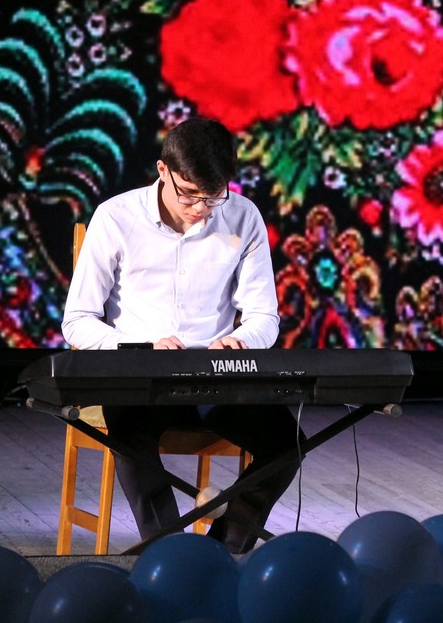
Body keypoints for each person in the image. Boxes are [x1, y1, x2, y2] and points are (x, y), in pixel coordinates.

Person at [62, 116, 304, 554]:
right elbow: (78, 319)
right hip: (143, 380)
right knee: (129, 433)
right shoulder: (116, 217)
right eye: (189, 194)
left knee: (287, 442)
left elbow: (264, 316)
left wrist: (240, 341)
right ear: (163, 171)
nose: (200, 209)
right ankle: (171, 554)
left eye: (213, 197)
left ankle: (221, 551)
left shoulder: (242, 216)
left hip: (214, 378)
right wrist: (139, 348)